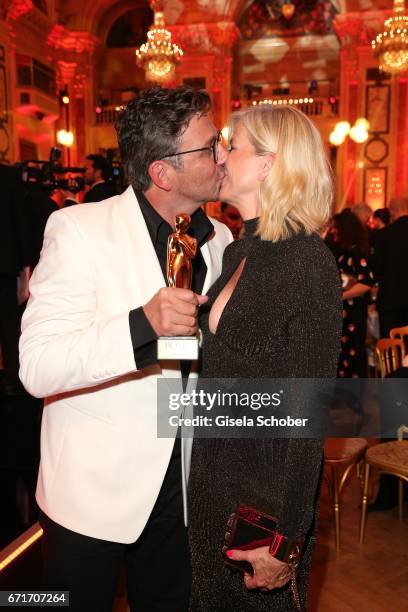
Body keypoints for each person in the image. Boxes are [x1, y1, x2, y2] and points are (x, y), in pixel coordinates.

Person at [19, 86, 232, 612]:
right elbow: (38, 366)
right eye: (210, 147)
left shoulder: (222, 239)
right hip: (91, 495)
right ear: (163, 172)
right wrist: (142, 324)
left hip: (184, 490)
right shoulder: (77, 229)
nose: (223, 155)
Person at [188, 105, 342, 611]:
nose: (221, 156)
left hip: (262, 506)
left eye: (233, 145)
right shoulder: (239, 252)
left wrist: (287, 541)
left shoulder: (308, 262)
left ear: (269, 165)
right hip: (212, 484)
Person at [330, 210, 375, 378]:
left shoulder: (355, 253)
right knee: (343, 355)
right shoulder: (344, 252)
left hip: (354, 314)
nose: (333, 230)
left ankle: (354, 398)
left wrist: (340, 297)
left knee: (353, 353)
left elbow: (366, 283)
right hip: (345, 313)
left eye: (336, 227)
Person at [0, 163, 31, 395]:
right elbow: (20, 219)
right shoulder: (10, 175)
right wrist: (24, 262)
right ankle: (12, 378)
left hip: (7, 263)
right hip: (5, 262)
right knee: (9, 322)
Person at [372, 197, 408, 337]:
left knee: (390, 345)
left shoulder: (383, 235)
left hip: (390, 300)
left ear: (392, 211)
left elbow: (376, 269)